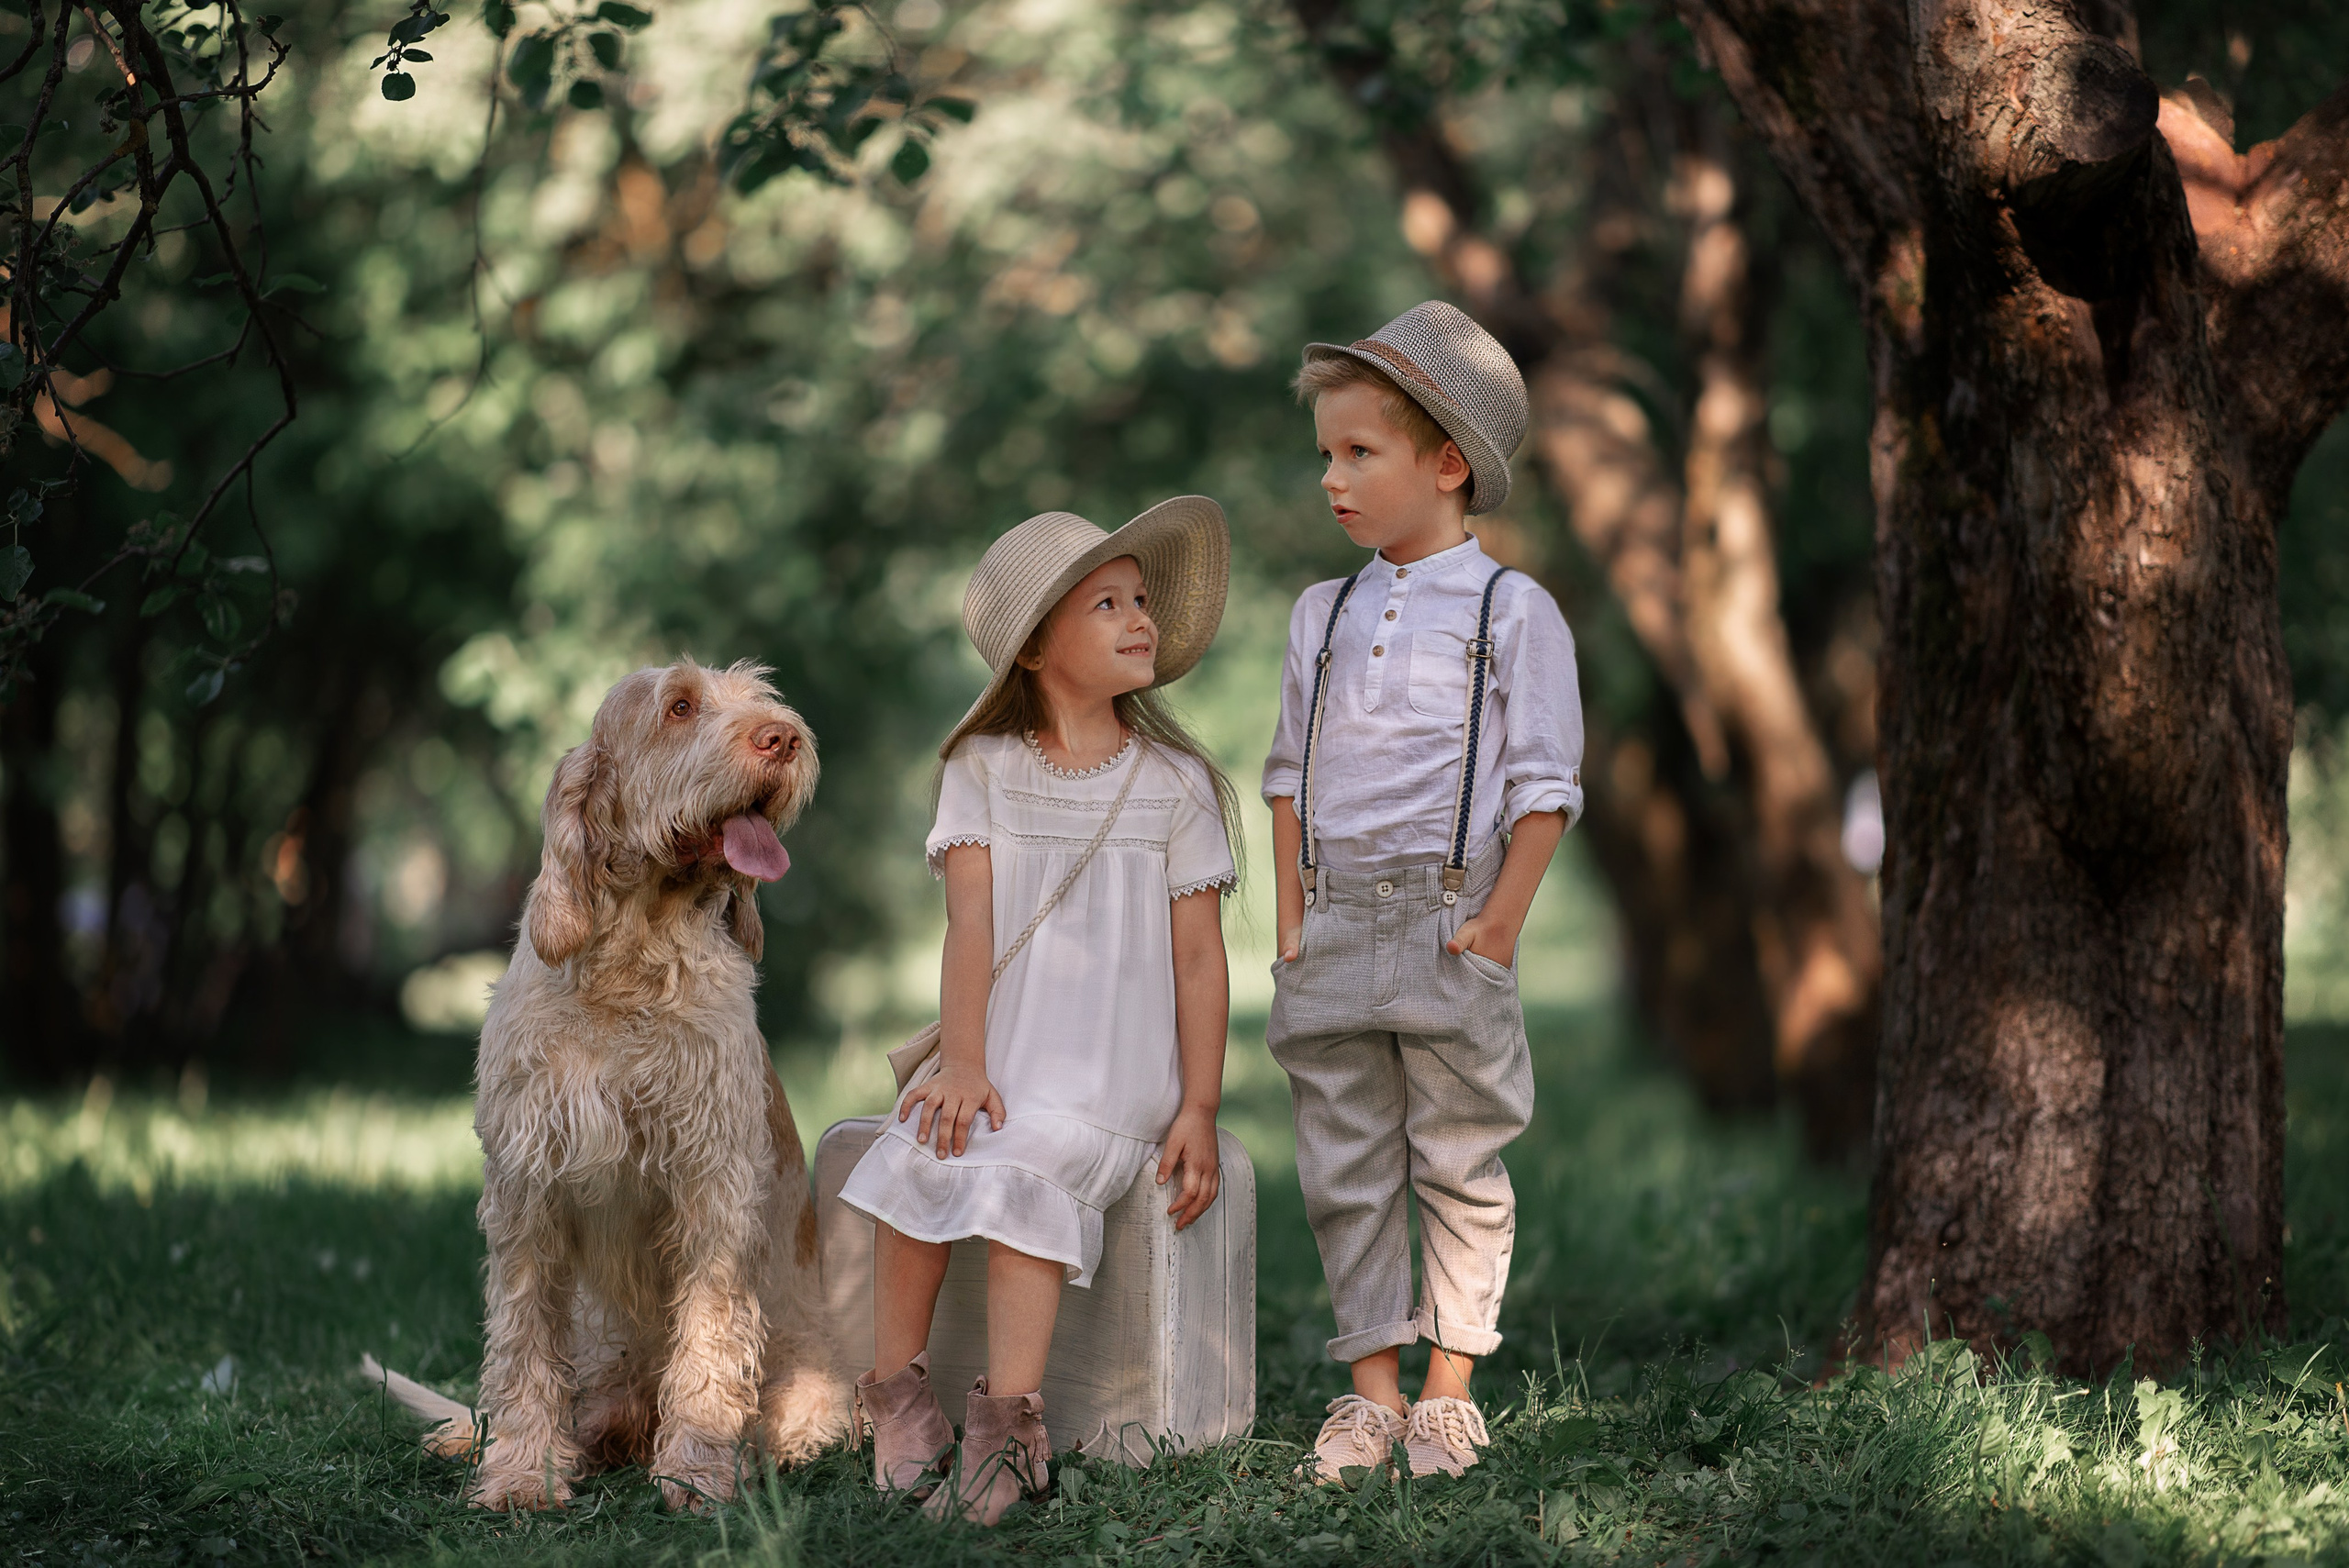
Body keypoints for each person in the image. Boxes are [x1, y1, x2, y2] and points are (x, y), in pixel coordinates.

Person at [839, 500, 1241, 1526]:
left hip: (1110, 1072)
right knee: (907, 1154)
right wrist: (962, 1063)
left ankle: (1008, 1429)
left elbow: (1200, 962)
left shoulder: (1177, 784)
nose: (1138, 618)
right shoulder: (981, 771)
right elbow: (968, 929)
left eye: (1141, 600)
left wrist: (1197, 1105)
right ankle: (897, 1402)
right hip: (1005, 1055)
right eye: (1106, 603)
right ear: (1034, 648)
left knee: (1026, 1169)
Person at [1263, 301, 1585, 1483]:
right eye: (1325, 457)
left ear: (1447, 462)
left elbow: (1544, 783)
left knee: (1457, 1153)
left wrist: (1496, 926)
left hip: (1454, 918)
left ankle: (1449, 1387)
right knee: (1341, 1159)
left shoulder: (1512, 610)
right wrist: (1293, 922)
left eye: (1360, 453)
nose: (1334, 481)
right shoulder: (1322, 611)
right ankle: (1369, 1394)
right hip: (1335, 918)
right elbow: (1289, 770)